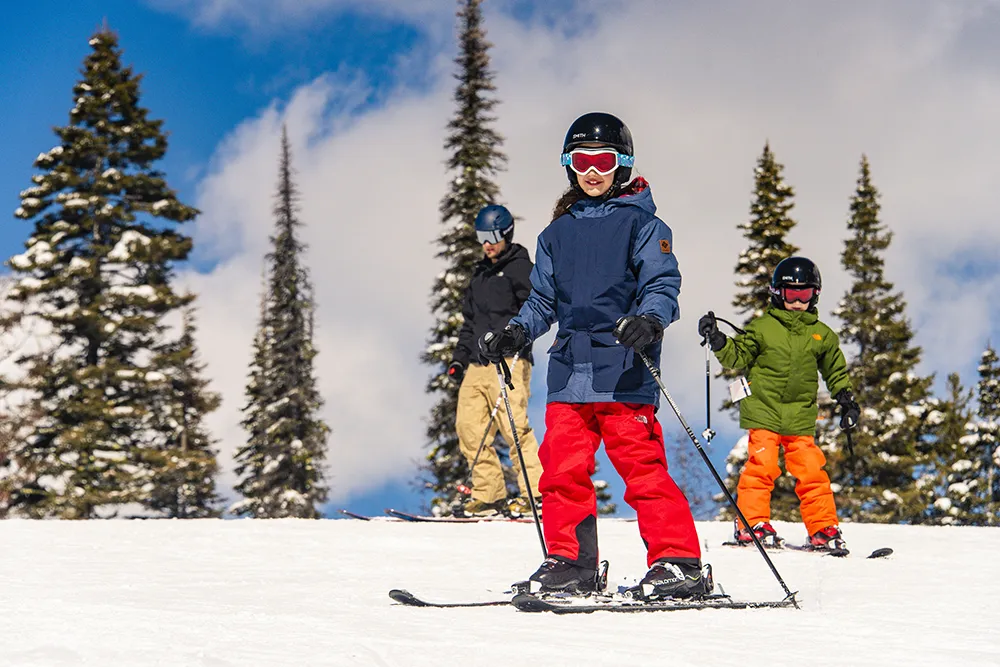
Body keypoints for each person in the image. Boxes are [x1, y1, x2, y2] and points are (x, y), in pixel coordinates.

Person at [479, 112, 708, 600]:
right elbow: (543, 301)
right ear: (569, 166)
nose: (592, 170)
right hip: (569, 374)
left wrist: (649, 320)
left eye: (603, 160)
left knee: (642, 469)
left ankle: (679, 563)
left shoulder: (643, 225)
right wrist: (517, 332)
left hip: (623, 368)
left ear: (622, 164)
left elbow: (661, 282)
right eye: (581, 160)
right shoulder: (554, 235)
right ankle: (571, 564)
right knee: (561, 471)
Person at [698, 256, 861, 550]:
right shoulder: (763, 328)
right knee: (762, 466)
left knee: (812, 471)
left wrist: (845, 398)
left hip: (800, 417)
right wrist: (719, 341)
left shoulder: (822, 335)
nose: (798, 302)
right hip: (764, 411)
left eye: (805, 294)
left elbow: (835, 370)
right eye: (791, 294)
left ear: (815, 295)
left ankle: (823, 528)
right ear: (777, 293)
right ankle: (752, 523)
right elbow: (738, 356)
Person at [448, 204, 542, 518]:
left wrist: (516, 339)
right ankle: (488, 496)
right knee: (469, 427)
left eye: (491, 237)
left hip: (509, 358)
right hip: (477, 363)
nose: (486, 244)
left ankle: (537, 494)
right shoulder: (480, 275)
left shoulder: (520, 268)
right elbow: (469, 323)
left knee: (514, 427)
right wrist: (459, 360)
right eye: (481, 237)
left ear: (505, 234)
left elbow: (537, 309)